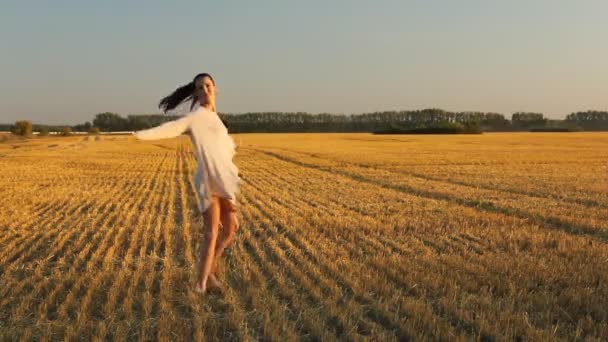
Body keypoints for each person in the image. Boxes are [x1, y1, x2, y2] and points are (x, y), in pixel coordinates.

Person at [133, 73, 241, 295]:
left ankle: (210, 270)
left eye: (208, 85)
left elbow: (223, 147)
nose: (205, 90)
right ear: (195, 93)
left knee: (231, 228)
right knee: (211, 233)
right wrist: (141, 135)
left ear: (216, 88)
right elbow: (171, 128)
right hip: (209, 181)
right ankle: (201, 286)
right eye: (200, 88)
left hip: (224, 180)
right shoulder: (196, 117)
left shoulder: (216, 118)